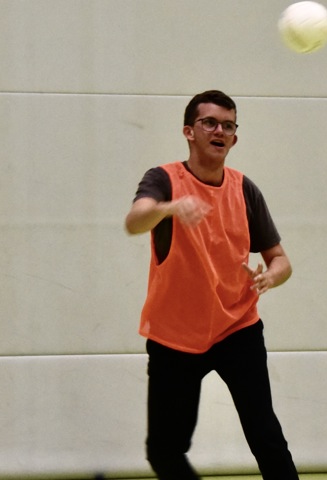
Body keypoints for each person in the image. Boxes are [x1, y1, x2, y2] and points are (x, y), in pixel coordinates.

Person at [125, 90, 300, 480]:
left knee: (266, 436)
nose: (219, 130)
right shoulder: (164, 180)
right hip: (176, 337)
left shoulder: (244, 189)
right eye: (210, 123)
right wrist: (169, 208)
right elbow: (134, 222)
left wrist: (272, 275)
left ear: (234, 138)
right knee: (164, 452)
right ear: (189, 131)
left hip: (237, 328)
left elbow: (281, 260)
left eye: (228, 125)